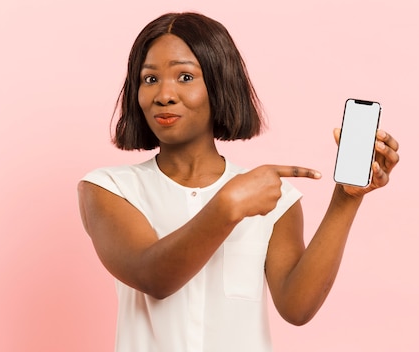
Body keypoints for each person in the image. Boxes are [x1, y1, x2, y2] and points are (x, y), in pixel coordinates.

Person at [77, 12, 399, 352]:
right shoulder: (109, 189)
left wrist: (346, 199)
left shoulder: (275, 197)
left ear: (219, 83)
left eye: (185, 76)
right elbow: (153, 277)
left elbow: (297, 307)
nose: (164, 95)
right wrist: (228, 206)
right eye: (150, 79)